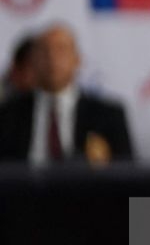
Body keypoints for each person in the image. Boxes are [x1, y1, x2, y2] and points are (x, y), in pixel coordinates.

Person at [0, 22, 133, 164]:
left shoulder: (109, 116)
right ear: (32, 61)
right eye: (44, 52)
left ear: (77, 59)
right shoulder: (7, 115)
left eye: (61, 50)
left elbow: (126, 176)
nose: (52, 59)